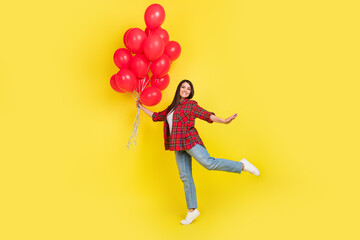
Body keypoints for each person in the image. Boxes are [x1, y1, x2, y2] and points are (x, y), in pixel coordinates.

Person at [137, 79, 260, 225]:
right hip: (177, 145)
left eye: (188, 89)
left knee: (208, 163)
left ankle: (242, 165)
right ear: (179, 89)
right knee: (185, 177)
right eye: (183, 87)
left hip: (189, 140)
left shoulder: (191, 104)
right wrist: (140, 106)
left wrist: (224, 120)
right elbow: (156, 116)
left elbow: (206, 115)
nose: (185, 90)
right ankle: (192, 211)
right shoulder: (171, 108)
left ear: (190, 92)